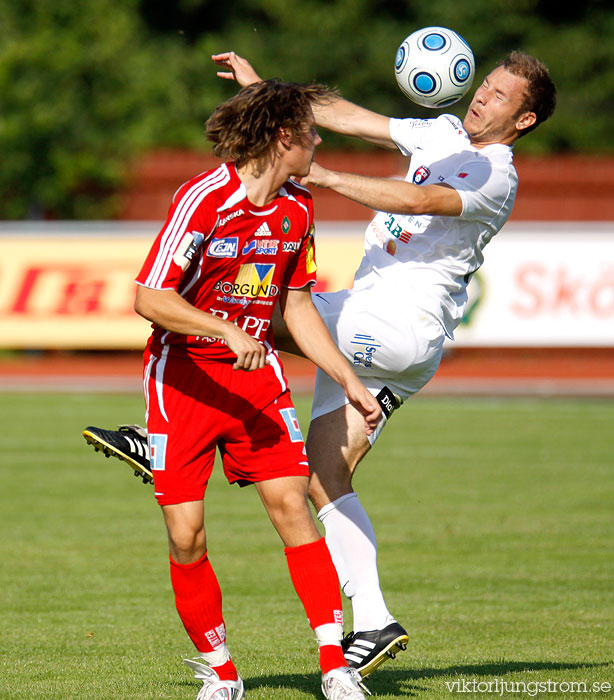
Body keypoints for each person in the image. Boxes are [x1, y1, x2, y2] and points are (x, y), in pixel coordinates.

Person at [84, 48, 557, 681]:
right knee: (323, 477)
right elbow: (347, 114)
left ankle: (166, 438)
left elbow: (417, 202)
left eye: (501, 97)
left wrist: (323, 176)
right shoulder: (440, 131)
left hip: (395, 324)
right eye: (487, 86)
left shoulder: (496, 172)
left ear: (523, 122)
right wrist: (265, 94)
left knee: (245, 309)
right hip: (383, 332)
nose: (482, 98)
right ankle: (376, 618)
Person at [96, 78, 382, 700]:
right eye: (310, 132)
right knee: (186, 536)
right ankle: (222, 675)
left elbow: (297, 306)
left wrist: (348, 380)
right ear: (284, 137)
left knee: (292, 510)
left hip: (258, 384)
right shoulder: (204, 198)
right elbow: (149, 297)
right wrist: (223, 328)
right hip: (184, 382)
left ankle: (335, 667)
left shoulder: (299, 208)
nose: (318, 140)